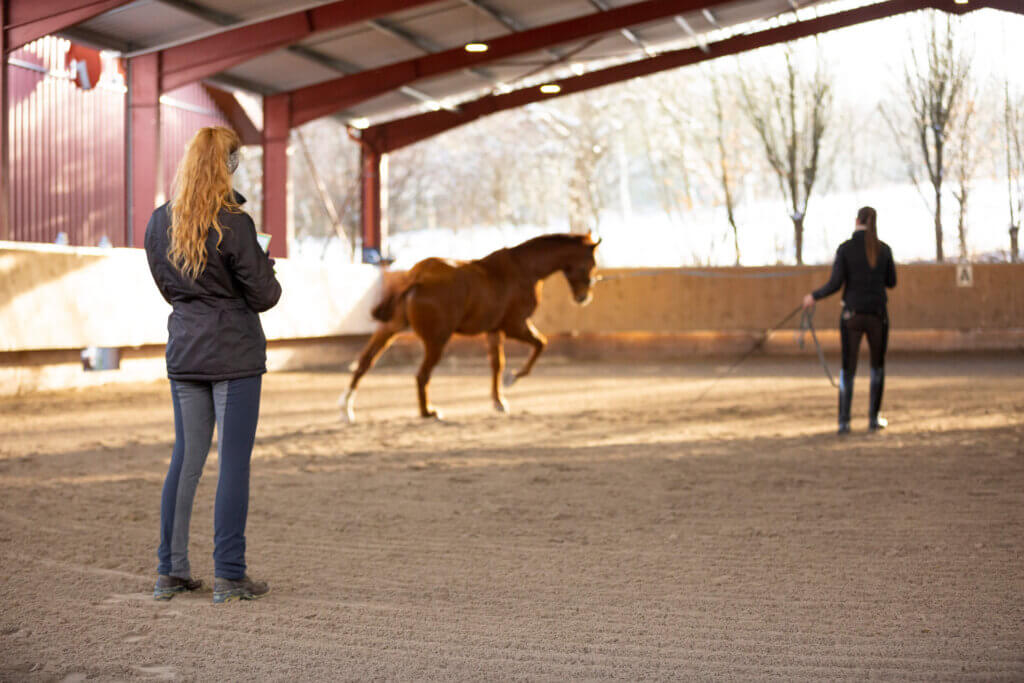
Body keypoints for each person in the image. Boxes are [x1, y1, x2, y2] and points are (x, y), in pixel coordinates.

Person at [144, 126, 281, 603]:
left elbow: (169, 288)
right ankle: (229, 573)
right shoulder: (234, 222)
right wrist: (265, 263)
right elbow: (265, 296)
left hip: (185, 351)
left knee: (185, 461)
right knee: (233, 465)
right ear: (227, 166)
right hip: (234, 355)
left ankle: (171, 569)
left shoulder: (160, 222)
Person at [802, 206, 897, 435]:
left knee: (848, 367)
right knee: (877, 366)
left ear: (857, 221)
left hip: (852, 315)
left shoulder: (845, 249)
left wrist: (813, 296)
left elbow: (835, 283)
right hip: (877, 315)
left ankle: (844, 421)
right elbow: (891, 282)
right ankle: (873, 418)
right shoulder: (884, 250)